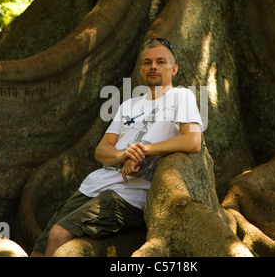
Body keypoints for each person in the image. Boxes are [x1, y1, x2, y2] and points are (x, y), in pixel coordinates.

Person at [30, 38, 203, 257]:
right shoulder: (128, 105)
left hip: (128, 195)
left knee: (58, 235)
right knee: (40, 248)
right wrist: (123, 155)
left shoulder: (181, 96)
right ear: (141, 70)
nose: (153, 66)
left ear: (174, 69)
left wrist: (143, 150)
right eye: (148, 62)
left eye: (161, 62)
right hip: (92, 186)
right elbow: (101, 152)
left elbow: (192, 141)